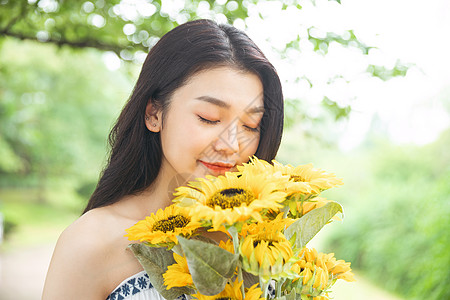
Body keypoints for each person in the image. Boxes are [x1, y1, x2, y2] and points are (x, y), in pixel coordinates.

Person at [42, 18, 284, 299]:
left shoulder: (262, 238)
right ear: (154, 114)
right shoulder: (91, 241)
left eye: (251, 125)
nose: (231, 145)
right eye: (209, 118)